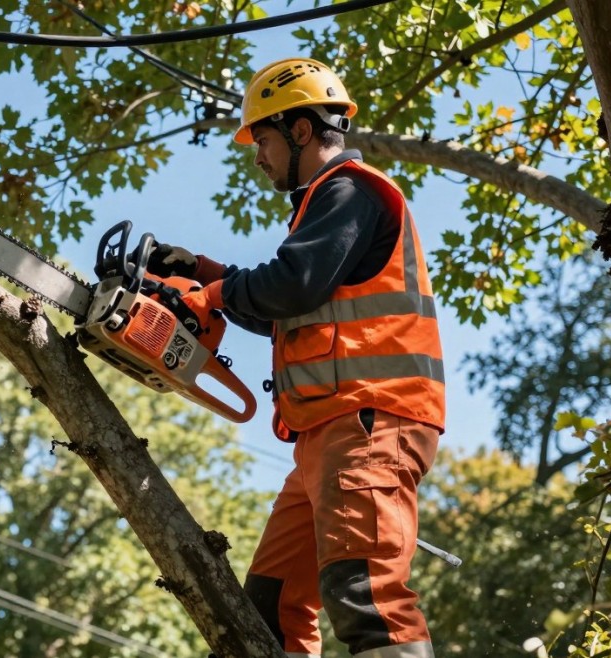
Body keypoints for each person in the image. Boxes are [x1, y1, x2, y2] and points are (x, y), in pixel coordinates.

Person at [154, 58, 444, 658]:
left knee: (366, 594)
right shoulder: (323, 206)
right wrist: (203, 274)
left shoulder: (350, 189)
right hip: (324, 431)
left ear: (301, 131)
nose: (257, 156)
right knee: (269, 610)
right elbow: (285, 309)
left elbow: (293, 283)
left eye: (262, 139)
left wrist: (212, 294)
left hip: (370, 421)